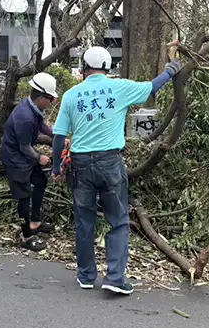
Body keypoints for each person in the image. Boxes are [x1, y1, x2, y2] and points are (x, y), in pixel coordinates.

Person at [52, 45, 182, 295]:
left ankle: (87, 275)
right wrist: (170, 71)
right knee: (119, 221)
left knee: (84, 222)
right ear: (108, 68)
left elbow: (59, 135)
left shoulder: (71, 95)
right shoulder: (119, 88)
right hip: (110, 163)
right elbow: (151, 87)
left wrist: (57, 166)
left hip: (80, 165)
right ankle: (115, 277)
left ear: (83, 69)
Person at [0, 72, 58, 252]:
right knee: (24, 196)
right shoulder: (24, 116)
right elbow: (25, 147)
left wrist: (55, 134)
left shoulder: (33, 108)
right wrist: (39, 157)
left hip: (24, 155)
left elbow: (41, 126)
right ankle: (26, 236)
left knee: (40, 181)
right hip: (16, 159)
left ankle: (35, 222)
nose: (52, 102)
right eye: (50, 98)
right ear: (41, 97)